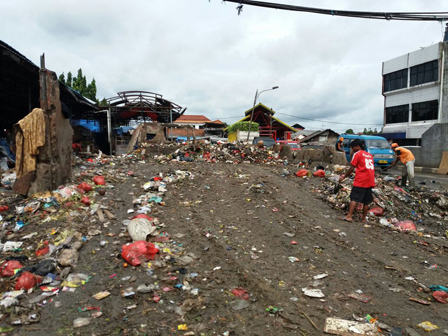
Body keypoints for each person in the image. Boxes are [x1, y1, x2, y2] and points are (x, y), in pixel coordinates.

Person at [339, 139, 375, 222]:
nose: (352, 149)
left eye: (353, 147)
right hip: (370, 180)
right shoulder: (369, 155)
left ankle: (349, 216)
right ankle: (363, 219)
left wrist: (344, 176)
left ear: (357, 146)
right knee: (366, 201)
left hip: (361, 180)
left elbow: (352, 167)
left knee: (354, 198)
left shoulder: (357, 154)